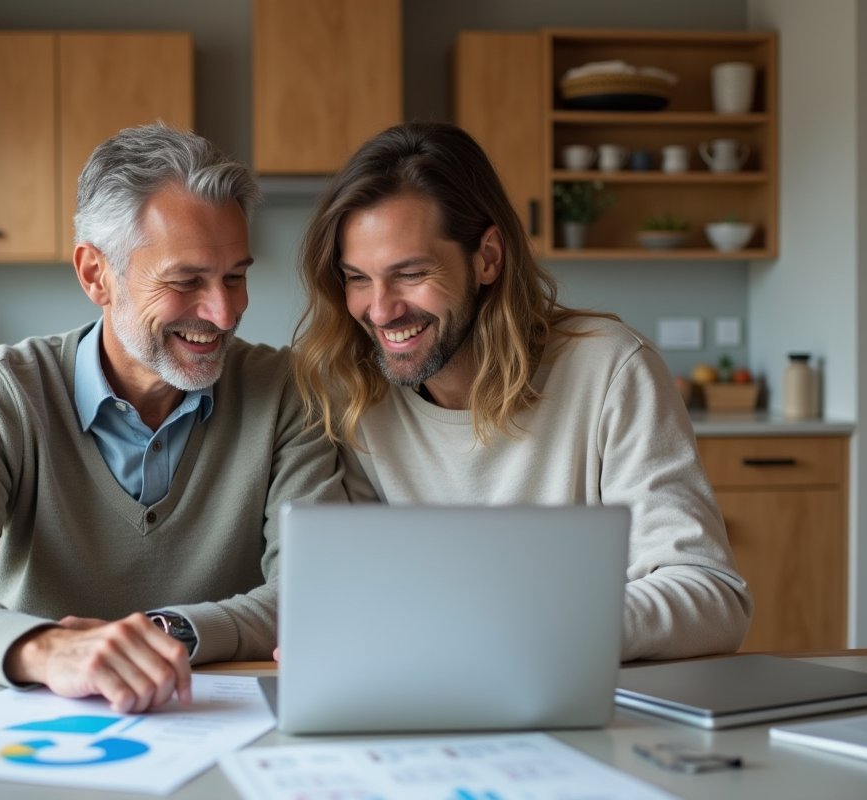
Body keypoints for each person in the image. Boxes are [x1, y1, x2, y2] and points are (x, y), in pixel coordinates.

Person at [0, 124, 349, 711]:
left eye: (235, 277)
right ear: (96, 274)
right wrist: (49, 650)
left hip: (215, 715)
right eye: (185, 281)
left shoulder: (287, 392)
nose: (222, 312)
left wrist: (161, 634)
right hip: (36, 722)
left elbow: (315, 591)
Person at [292, 122, 752, 661]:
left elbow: (712, 595)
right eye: (357, 278)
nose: (380, 309)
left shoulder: (610, 369)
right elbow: (362, 592)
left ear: (487, 257)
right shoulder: (354, 395)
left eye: (410, 273)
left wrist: (542, 626)